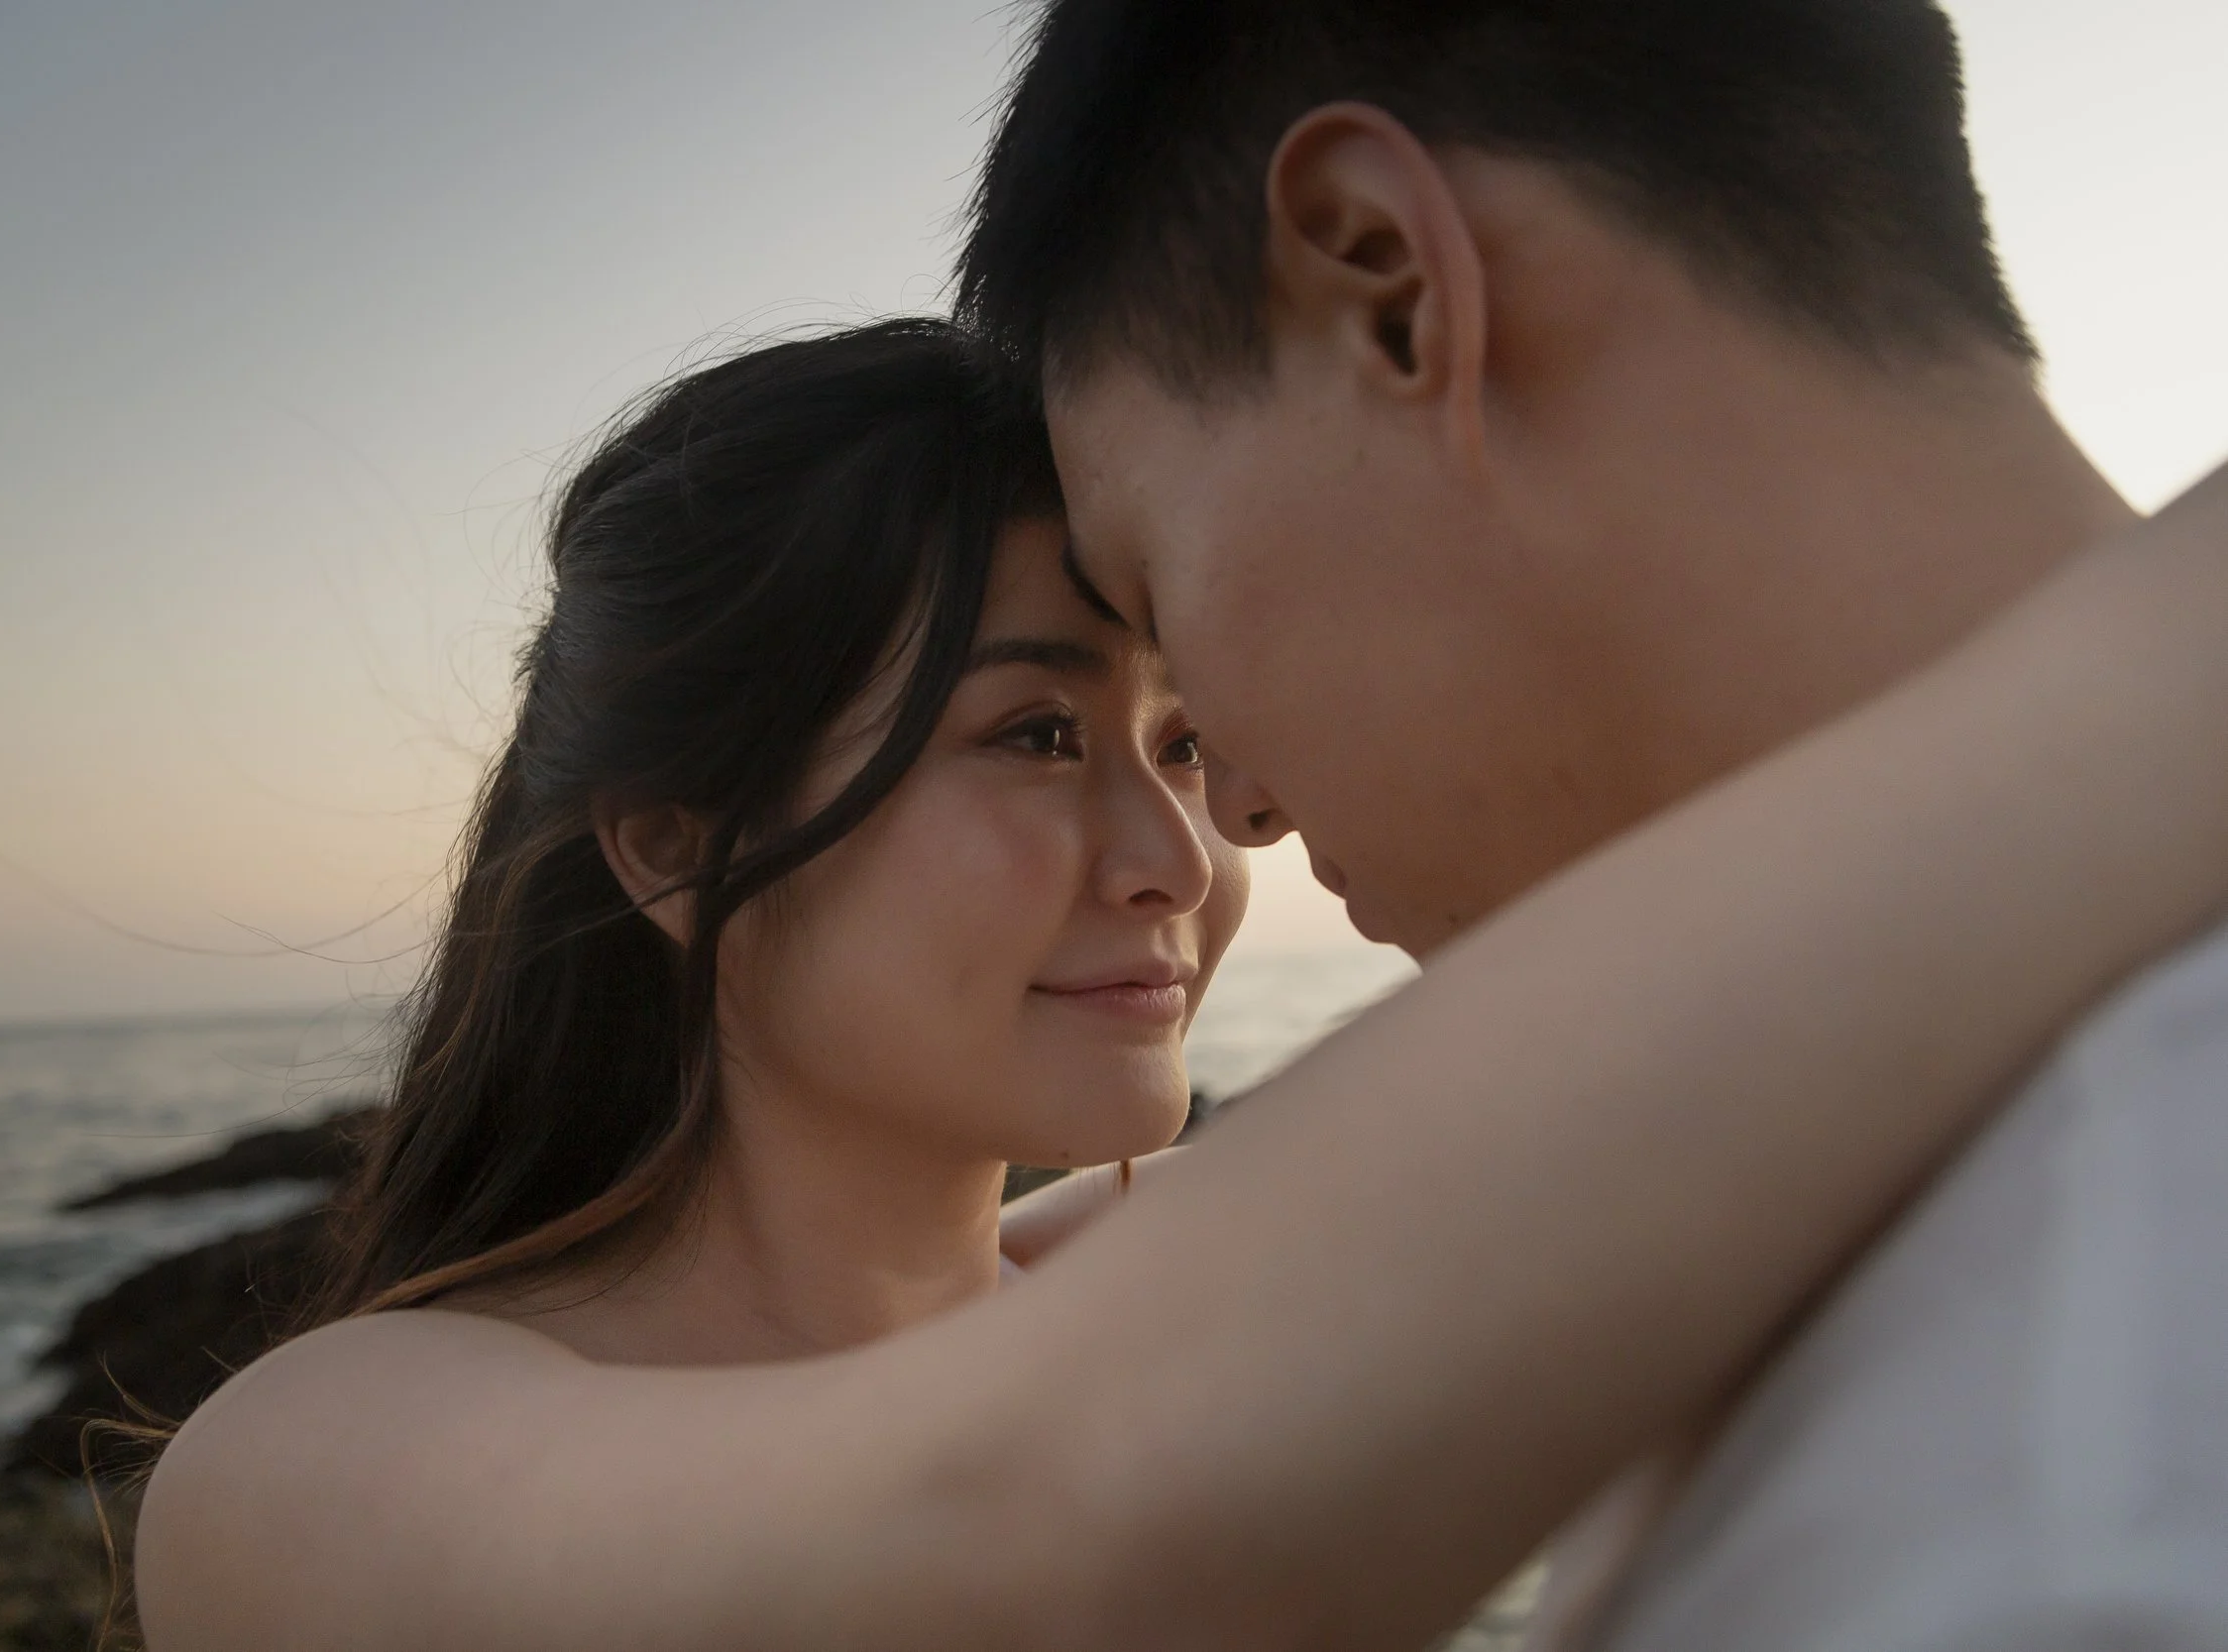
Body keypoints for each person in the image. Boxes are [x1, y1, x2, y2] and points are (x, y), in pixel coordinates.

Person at [136, 316, 2228, 1650]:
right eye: (1033, 735)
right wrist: (2153, 650)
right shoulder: (324, 1459)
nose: (1175, 860)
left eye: (1175, 734)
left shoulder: (1176, 1310)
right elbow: (1035, 1539)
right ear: (674, 842)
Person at [951, 0, 2228, 1645]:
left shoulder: (2052, 1490)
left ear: (1393, 288)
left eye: (1161, 607)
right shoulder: (1881, 1181)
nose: (1238, 809)